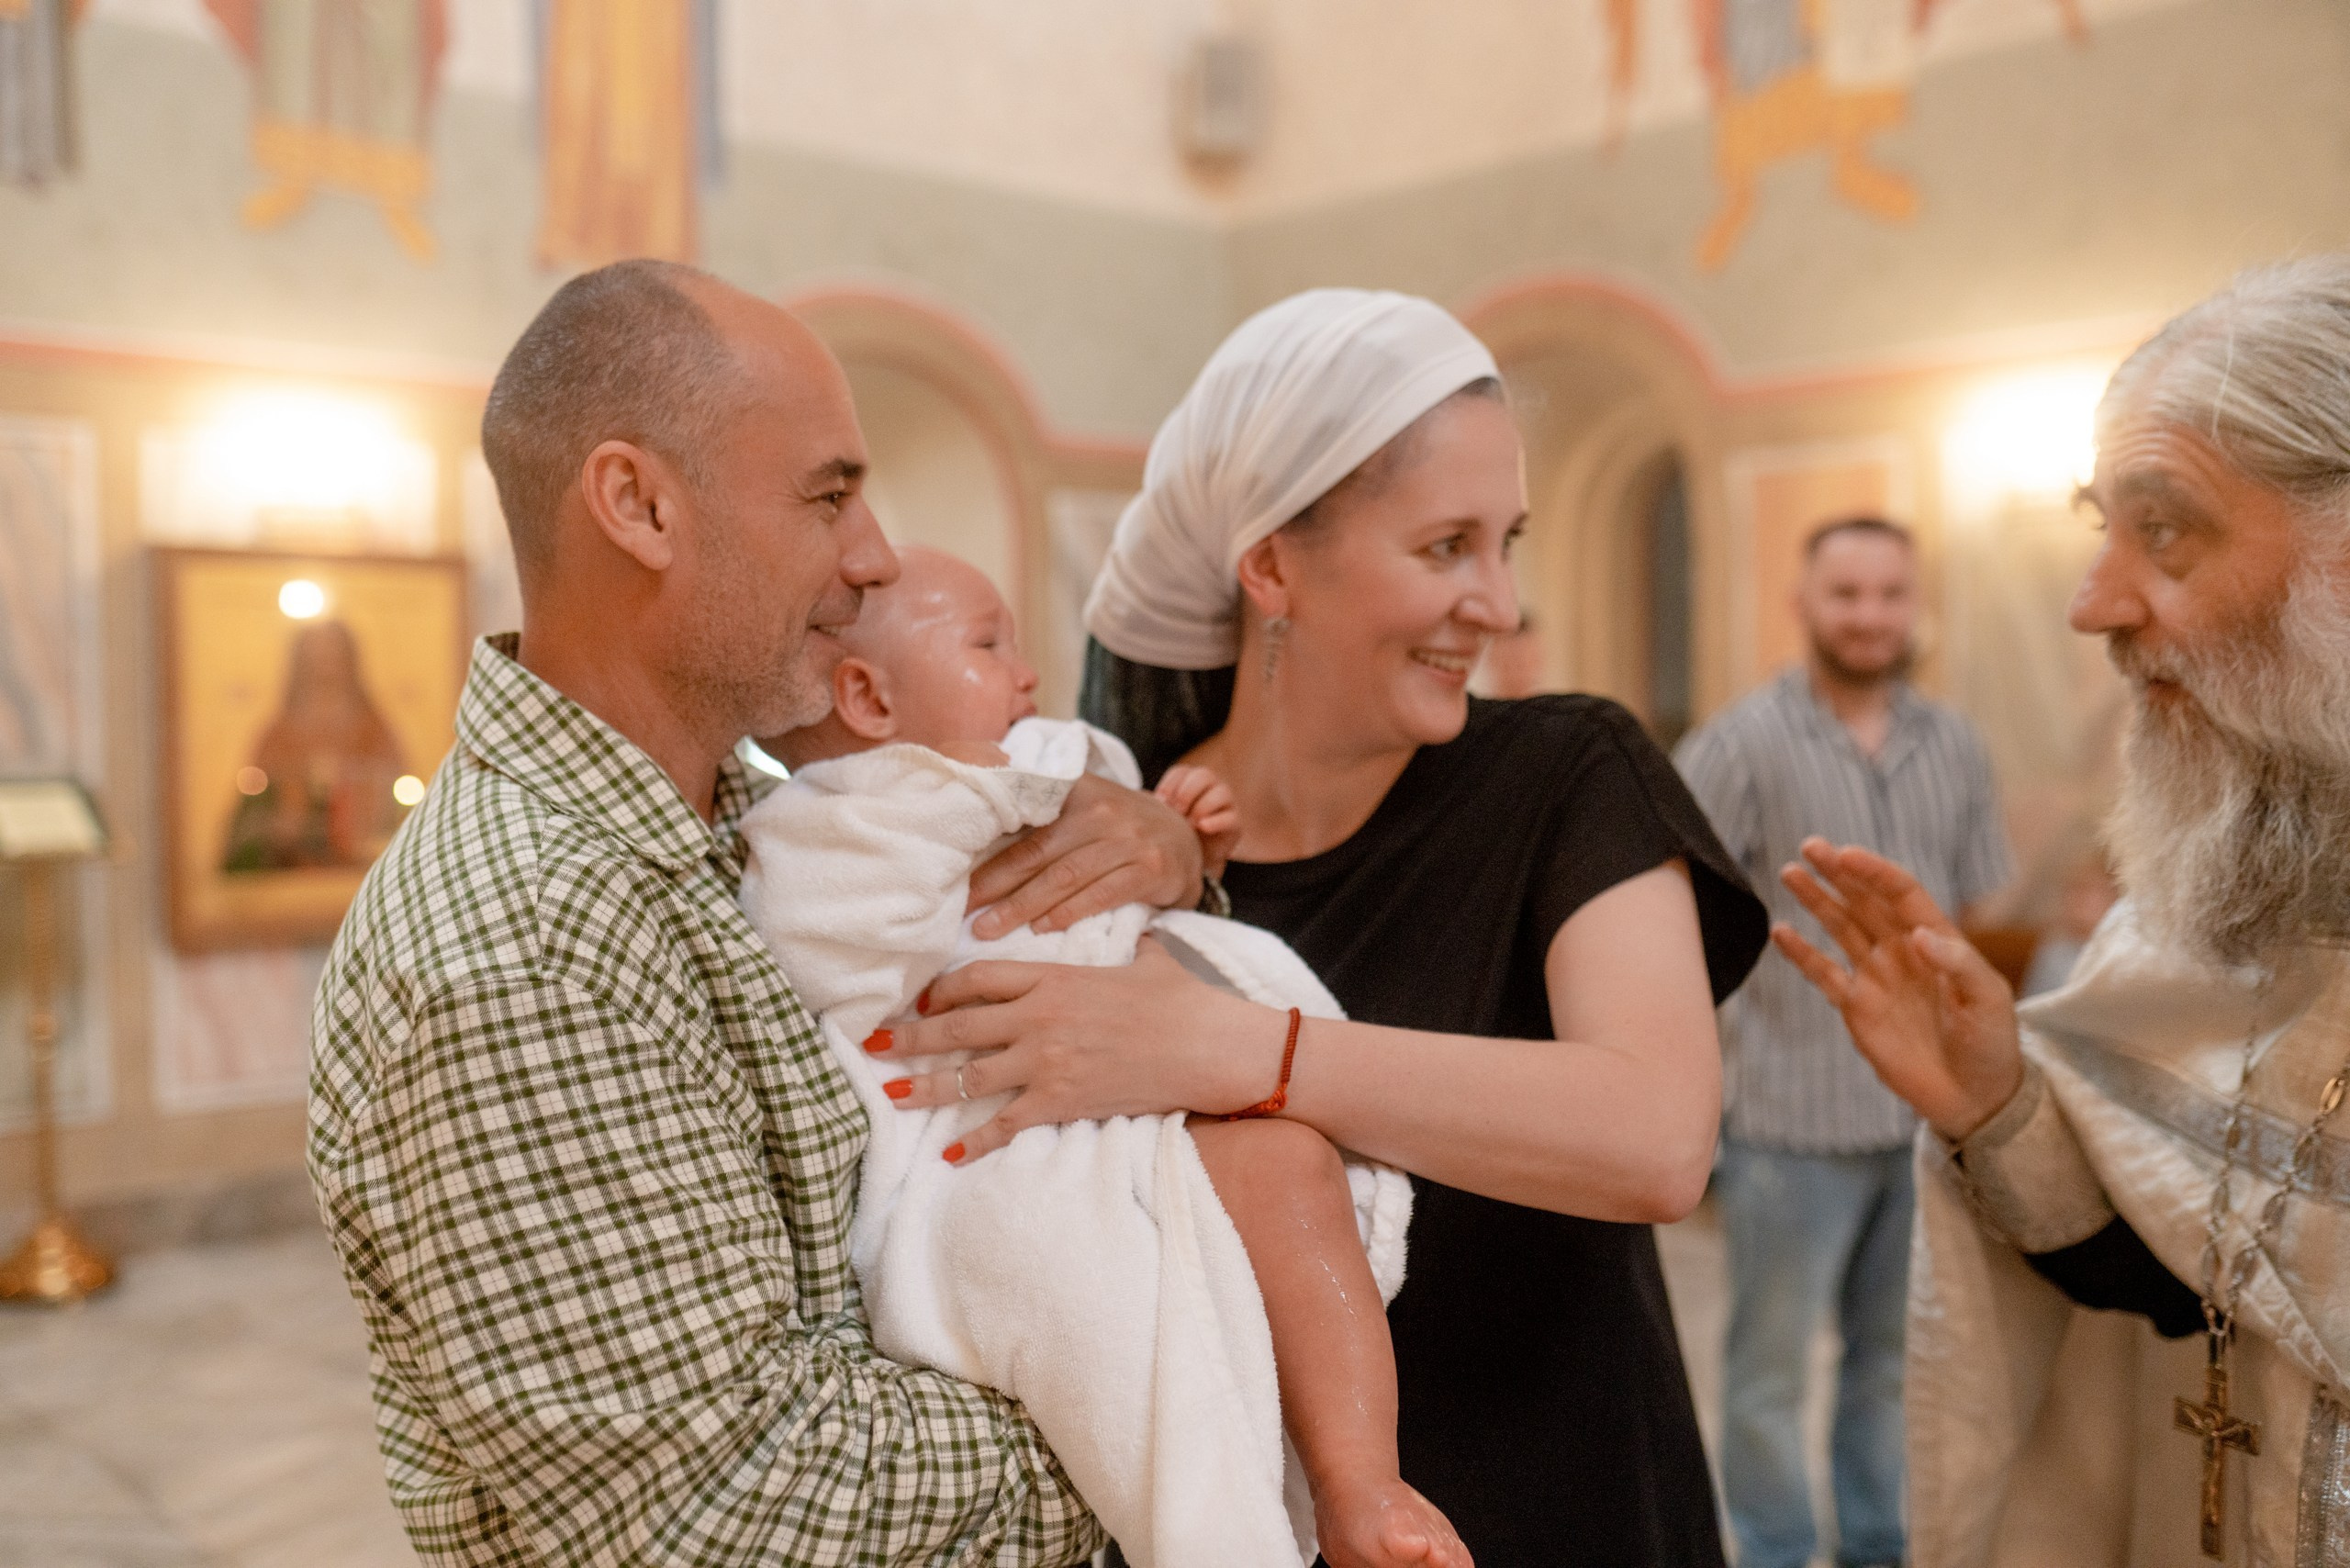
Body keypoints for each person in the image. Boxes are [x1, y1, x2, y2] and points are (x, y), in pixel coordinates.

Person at [308, 260, 1211, 1566]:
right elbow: (721, 1503)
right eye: (829, 495)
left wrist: (1163, 852)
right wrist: (1172, 1404)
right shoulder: (524, 943)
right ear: (638, 506)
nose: (876, 556)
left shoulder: (750, 811)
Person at [866, 288, 1771, 1567]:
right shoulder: (1124, 821)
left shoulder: (1569, 774)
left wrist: (1245, 1052)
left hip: (1561, 1512)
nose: (1501, 604)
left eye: (1506, 542)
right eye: (1447, 547)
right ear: (1272, 563)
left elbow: (1661, 1139)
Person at [1774, 255, 2350, 1565]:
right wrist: (2003, 1110)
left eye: (2168, 531)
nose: (2093, 603)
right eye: (2104, 529)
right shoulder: (2199, 928)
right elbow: (2180, 1286)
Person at [741, 544, 1460, 1568]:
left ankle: (1362, 1483)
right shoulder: (829, 824)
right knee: (1091, 1302)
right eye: (989, 645)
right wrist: (971, 801)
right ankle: (1222, 1541)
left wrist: (1183, 842)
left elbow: (1135, 876)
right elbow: (831, 952)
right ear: (865, 695)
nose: (1027, 673)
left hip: (1150, 1093)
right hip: (987, 1148)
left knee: (1292, 1161)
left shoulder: (1060, 757)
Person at [1673, 516, 2011, 1568]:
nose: (1868, 616)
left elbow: (1975, 902)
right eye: (1846, 594)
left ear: (1914, 606)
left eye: (1887, 595)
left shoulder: (1953, 741)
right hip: (1786, 1119)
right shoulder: (1738, 742)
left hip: (1925, 1125)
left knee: (1893, 1367)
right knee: (1769, 1373)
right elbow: (1669, 901)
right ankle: (1772, 1552)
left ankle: (1878, 1548)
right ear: (1803, 604)